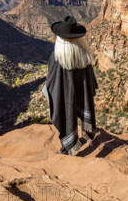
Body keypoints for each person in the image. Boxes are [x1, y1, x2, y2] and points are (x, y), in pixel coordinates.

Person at [42, 16, 98, 155]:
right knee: (70, 112)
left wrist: (48, 91)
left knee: (65, 114)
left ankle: (67, 147)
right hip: (80, 94)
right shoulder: (84, 55)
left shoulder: (57, 57)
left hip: (64, 97)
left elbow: (52, 83)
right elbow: (89, 80)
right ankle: (69, 145)